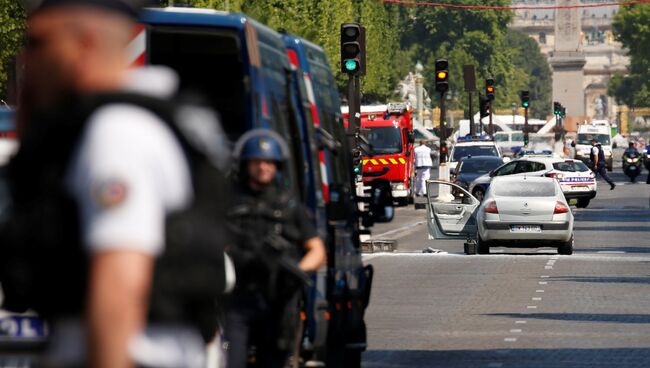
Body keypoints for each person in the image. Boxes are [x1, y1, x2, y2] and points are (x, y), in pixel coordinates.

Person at [0, 1, 232, 367]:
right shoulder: (111, 124)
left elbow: (119, 283)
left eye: (38, 41)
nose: (27, 55)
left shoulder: (116, 133)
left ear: (85, 44)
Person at [225, 130, 327, 368]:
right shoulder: (229, 202)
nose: (263, 167)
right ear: (245, 164)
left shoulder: (288, 205)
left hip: (277, 302)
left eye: (269, 162)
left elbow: (316, 250)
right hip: (239, 299)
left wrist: (297, 271)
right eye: (257, 162)